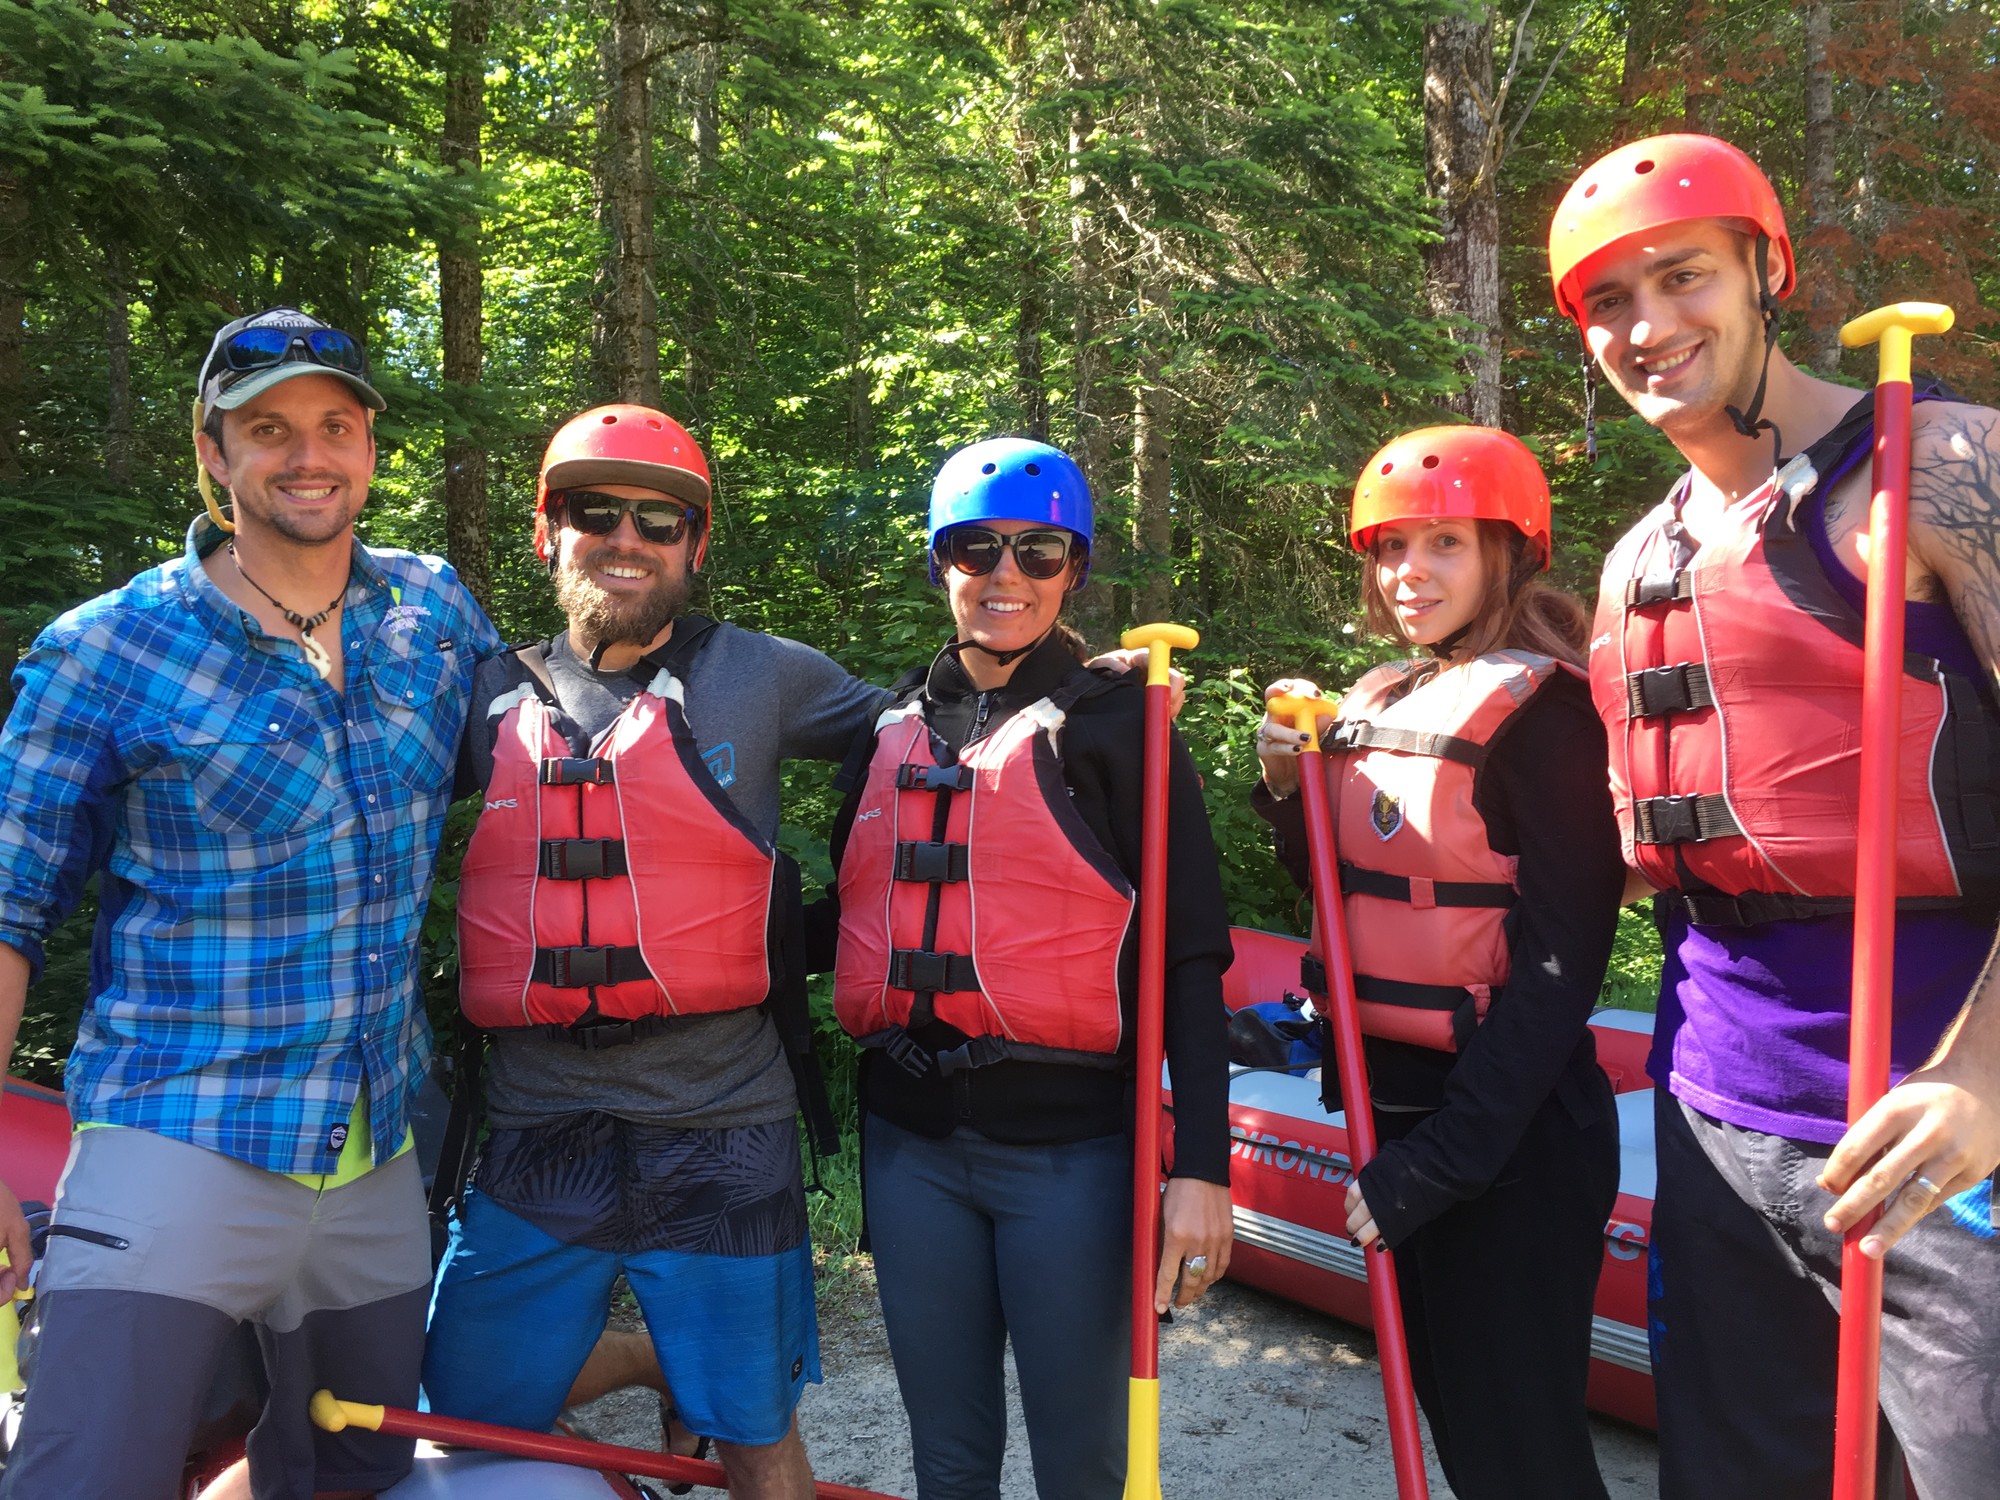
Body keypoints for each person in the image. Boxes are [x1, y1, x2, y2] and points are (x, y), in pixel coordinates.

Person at [1552, 132, 2000, 1497]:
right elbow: (1648, 854)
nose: (1647, 325)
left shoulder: (1943, 466)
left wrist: (1985, 1080)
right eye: (1608, 302)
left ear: (1765, 271)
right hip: (1717, 1124)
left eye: (1681, 276)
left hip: (1943, 1134)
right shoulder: (1639, 560)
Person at [0, 306, 500, 1499]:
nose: (306, 455)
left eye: (334, 425)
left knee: (353, 1473)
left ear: (369, 446)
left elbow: (542, 771)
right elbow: (8, 901)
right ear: (212, 451)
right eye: (267, 429)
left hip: (375, 1153)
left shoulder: (434, 615)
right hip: (177, 1130)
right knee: (84, 1475)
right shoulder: (107, 649)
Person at [419, 402, 892, 1500]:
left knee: (753, 1431)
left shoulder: (767, 676)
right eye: (596, 511)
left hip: (721, 1120)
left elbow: (946, 732)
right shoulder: (484, 694)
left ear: (696, 544)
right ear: (547, 530)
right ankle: (649, 1359)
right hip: (538, 1123)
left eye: (661, 519)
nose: (626, 538)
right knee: (468, 1406)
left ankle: (704, 1387)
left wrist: (1084, 692)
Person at [827, 437, 1234, 1500]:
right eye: (976, 549)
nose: (1005, 575)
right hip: (910, 1147)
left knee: (1080, 1466)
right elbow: (854, 916)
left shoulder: (1123, 724)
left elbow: (1190, 956)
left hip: (1073, 1158)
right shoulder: (888, 728)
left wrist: (1202, 1167)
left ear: (1074, 570)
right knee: (949, 1461)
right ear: (940, 563)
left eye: (1038, 552)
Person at [1252, 426, 1625, 1500]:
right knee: (1465, 1437)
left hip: (1507, 1143)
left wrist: (1439, 1166)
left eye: (1444, 544)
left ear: (1507, 552)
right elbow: (1337, 891)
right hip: (1401, 1116)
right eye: (1389, 548)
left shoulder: (1550, 718)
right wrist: (1284, 790)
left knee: (1522, 1461)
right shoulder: (1387, 695)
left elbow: (1561, 970)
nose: (1406, 572)